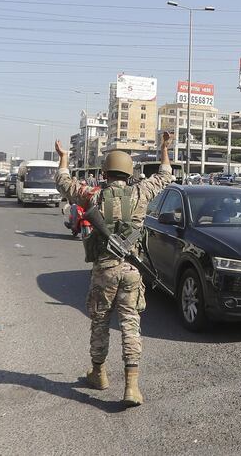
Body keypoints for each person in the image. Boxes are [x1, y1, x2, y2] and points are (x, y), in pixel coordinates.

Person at [53, 131, 174, 407]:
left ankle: (99, 374)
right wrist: (164, 148)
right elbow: (166, 175)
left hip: (105, 269)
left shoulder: (93, 195)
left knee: (100, 322)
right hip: (132, 269)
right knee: (131, 323)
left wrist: (63, 158)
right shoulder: (142, 192)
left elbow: (63, 182)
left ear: (106, 172)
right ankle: (132, 386)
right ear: (129, 172)